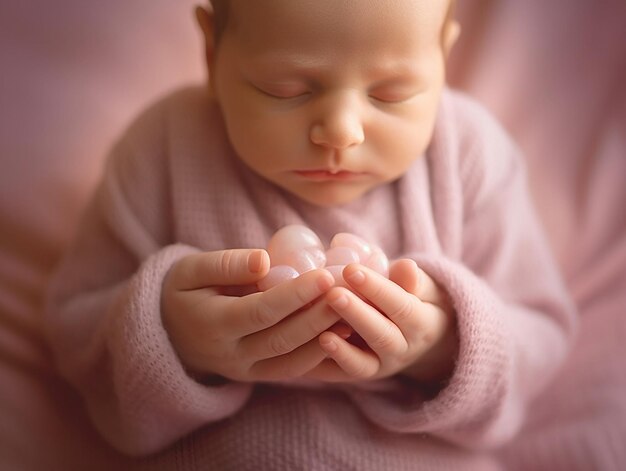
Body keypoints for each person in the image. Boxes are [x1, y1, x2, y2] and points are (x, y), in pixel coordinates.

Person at [45, 0, 576, 468]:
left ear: (444, 57)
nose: (342, 130)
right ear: (211, 53)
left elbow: (540, 332)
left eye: (392, 93)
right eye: (287, 89)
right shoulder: (162, 150)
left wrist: (447, 345)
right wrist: (169, 335)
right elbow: (75, 332)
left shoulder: (470, 157)